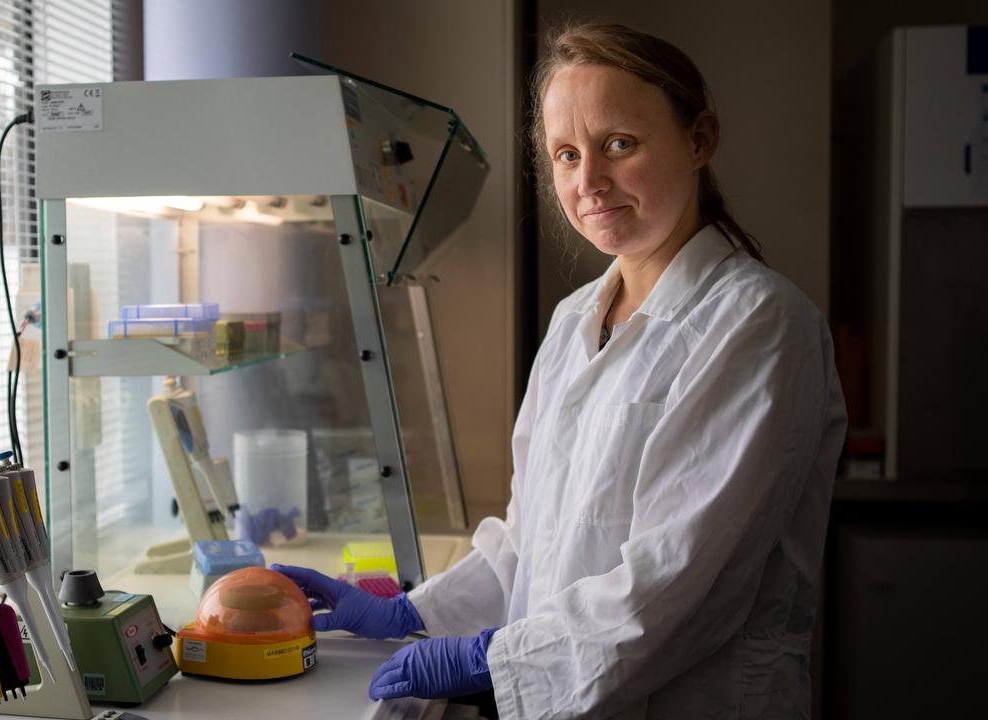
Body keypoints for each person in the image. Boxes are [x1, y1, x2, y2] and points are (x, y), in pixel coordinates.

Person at [275, 22, 846, 720]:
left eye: (619, 145)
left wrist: (488, 660)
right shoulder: (575, 318)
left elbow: (678, 584)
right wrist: (411, 613)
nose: (589, 182)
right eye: (566, 155)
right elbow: (530, 543)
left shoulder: (759, 324)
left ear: (700, 140)